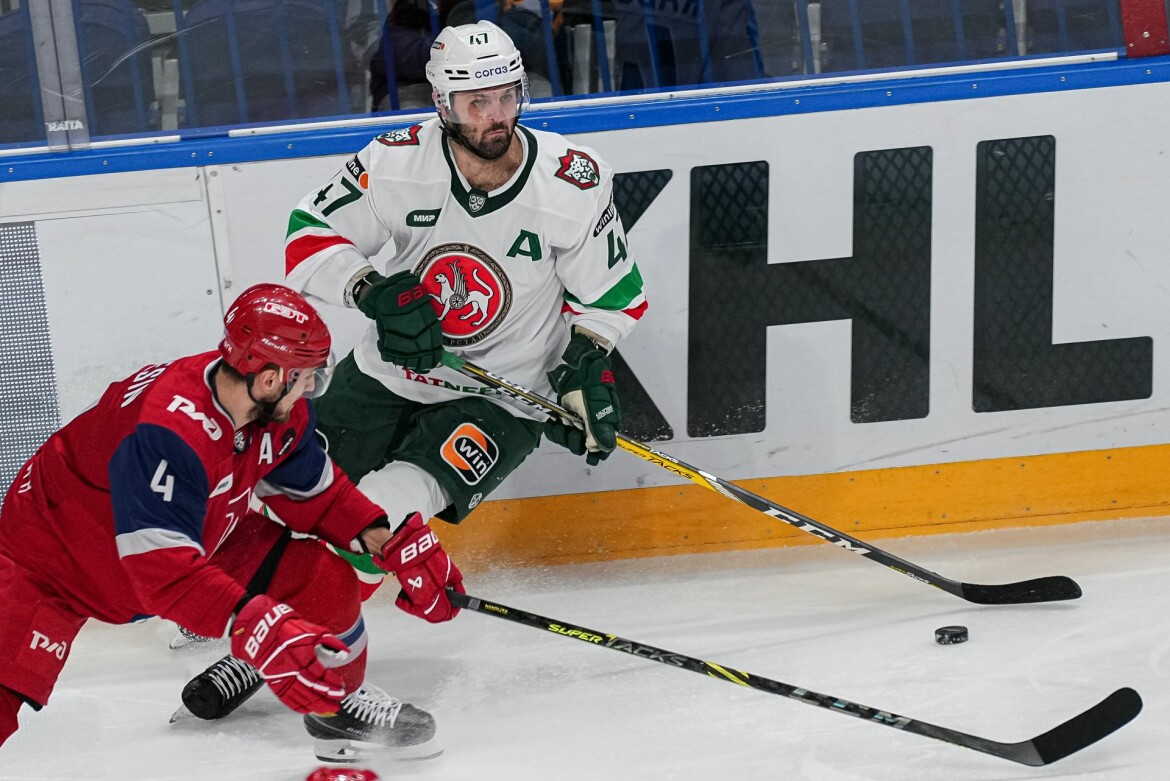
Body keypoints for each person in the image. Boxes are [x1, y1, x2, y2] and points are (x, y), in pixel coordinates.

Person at [181, 17, 647, 741]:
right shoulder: (397, 163)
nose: (495, 117)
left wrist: (586, 361)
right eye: (476, 103)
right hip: (385, 375)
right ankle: (271, 629)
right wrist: (370, 291)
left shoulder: (570, 181)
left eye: (507, 96)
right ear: (441, 103)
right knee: (289, 498)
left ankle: (280, 654)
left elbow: (612, 295)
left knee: (380, 512)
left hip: (501, 400)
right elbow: (310, 231)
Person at [0, 284, 457, 762]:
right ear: (270, 378)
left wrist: (384, 541)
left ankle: (335, 710)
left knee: (320, 580)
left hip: (192, 531)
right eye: (306, 378)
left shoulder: (271, 409)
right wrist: (256, 626)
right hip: (51, 559)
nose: (310, 389)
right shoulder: (170, 432)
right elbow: (163, 573)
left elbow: (315, 493)